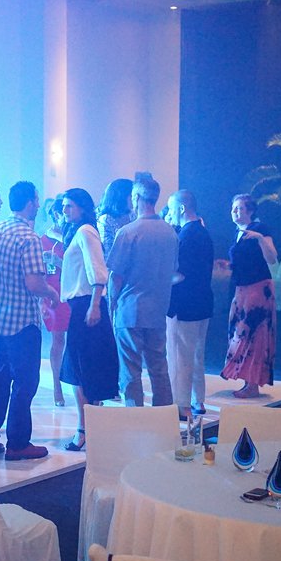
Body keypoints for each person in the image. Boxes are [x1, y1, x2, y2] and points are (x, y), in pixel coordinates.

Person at [0, 181, 59, 461]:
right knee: (25, 383)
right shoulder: (28, 237)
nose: (38, 205)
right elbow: (34, 283)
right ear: (29, 203)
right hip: (22, 323)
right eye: (36, 200)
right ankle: (18, 442)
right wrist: (52, 293)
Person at [107, 176, 177, 408]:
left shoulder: (128, 232)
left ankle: (135, 419)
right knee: (159, 368)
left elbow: (116, 276)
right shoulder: (170, 233)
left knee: (130, 371)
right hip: (158, 309)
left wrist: (110, 307)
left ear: (135, 198)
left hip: (130, 310)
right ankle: (164, 419)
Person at [58, 188, 119, 451]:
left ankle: (85, 429)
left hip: (87, 306)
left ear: (82, 207)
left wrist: (94, 305)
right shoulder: (80, 231)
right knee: (81, 370)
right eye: (64, 206)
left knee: (81, 371)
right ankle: (90, 428)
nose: (65, 210)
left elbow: (98, 270)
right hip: (83, 304)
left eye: (69, 205)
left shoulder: (85, 232)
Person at [220, 194, 278, 399]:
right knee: (240, 334)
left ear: (250, 211)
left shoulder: (260, 230)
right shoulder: (237, 232)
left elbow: (272, 258)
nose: (235, 212)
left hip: (257, 288)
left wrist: (261, 239)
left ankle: (253, 383)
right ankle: (247, 380)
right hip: (242, 288)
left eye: (240, 209)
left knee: (254, 334)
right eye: (233, 209)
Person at [165, 190, 214, 418]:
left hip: (185, 304)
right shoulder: (203, 232)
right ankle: (198, 400)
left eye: (171, 208)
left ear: (181, 208)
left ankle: (182, 405)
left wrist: (159, 278)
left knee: (181, 356)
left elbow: (180, 274)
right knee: (197, 355)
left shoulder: (187, 235)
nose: (169, 214)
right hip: (203, 301)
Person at [39, 196, 71, 407]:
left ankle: (79, 385)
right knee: (58, 339)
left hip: (71, 288)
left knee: (76, 340)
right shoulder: (45, 238)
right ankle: (57, 387)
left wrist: (59, 261)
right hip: (53, 290)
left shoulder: (73, 234)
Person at [96, 178, 135, 257]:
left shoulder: (133, 216)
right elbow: (107, 251)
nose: (134, 199)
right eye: (131, 195)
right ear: (122, 196)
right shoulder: (106, 219)